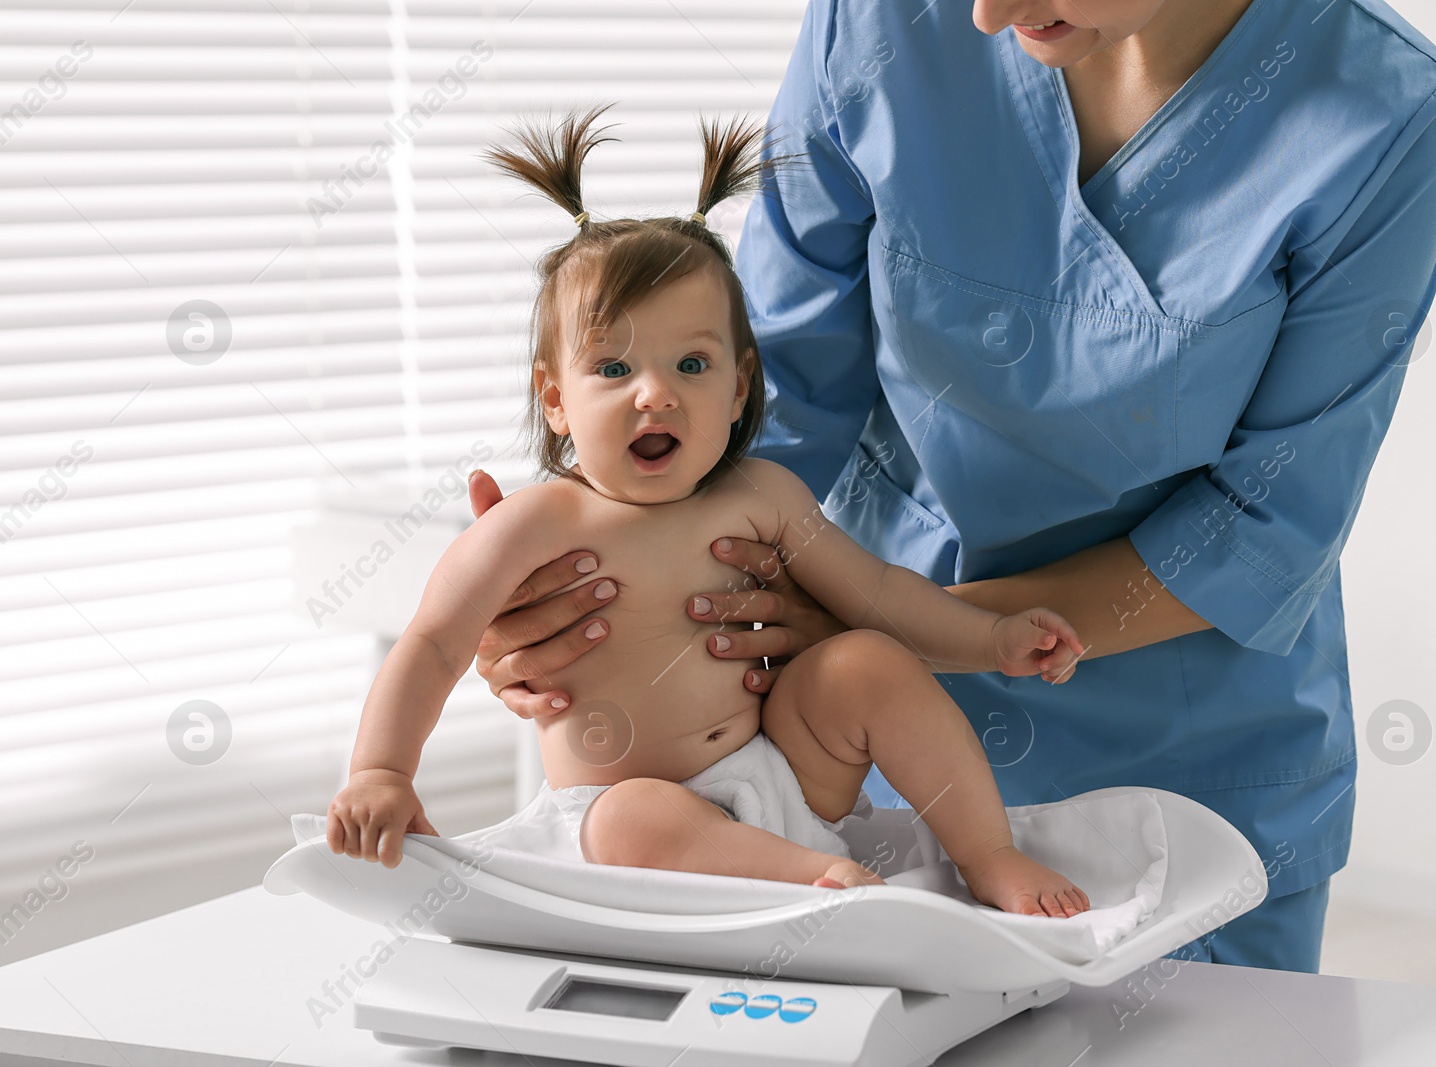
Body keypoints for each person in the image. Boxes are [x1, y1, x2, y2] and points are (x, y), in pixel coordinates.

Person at [467, 0, 1436, 971]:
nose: (984, 17)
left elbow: (1261, 528)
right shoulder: (876, 19)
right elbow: (767, 402)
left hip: (1191, 774)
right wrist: (590, 593)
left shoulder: (1380, 112)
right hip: (870, 757)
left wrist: (912, 627)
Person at [327, 108, 1094, 917]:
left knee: (868, 658)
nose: (654, 393)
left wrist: (992, 639)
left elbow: (880, 594)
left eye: (691, 363)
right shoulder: (535, 524)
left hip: (783, 776)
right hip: (632, 817)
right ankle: (812, 881)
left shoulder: (761, 496)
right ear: (555, 400)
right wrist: (381, 770)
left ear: (737, 388)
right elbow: (436, 642)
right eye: (614, 366)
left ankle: (990, 856)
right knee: (631, 815)